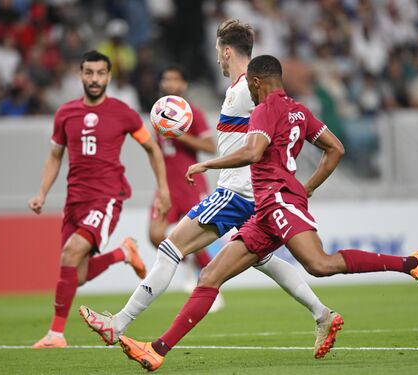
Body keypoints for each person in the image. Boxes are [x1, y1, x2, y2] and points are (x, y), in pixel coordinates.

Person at [118, 55, 418, 372]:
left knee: (320, 264)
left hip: (278, 202)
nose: (251, 91)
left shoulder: (263, 110)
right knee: (210, 277)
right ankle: (157, 350)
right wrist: (308, 187)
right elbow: (336, 149)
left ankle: (412, 264)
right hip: (268, 208)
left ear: (257, 82)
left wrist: (207, 163)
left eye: (251, 85)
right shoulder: (300, 111)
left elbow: (253, 151)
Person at [80, 19, 337, 357]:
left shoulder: (248, 89)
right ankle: (323, 313)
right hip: (255, 195)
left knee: (171, 248)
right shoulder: (245, 88)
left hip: (235, 193)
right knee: (264, 258)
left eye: (218, 50)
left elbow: (270, 124)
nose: (216, 57)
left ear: (226, 50)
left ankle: (120, 324)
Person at [29, 50, 170, 348]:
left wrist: (164, 190)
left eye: (100, 73)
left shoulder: (123, 112)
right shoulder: (65, 113)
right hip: (74, 202)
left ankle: (55, 334)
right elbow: (55, 156)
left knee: (70, 254)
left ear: (109, 76)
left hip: (105, 197)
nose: (94, 79)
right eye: (89, 73)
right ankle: (123, 253)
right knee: (75, 276)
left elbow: (152, 149)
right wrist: (41, 192)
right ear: (80, 75)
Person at [147, 65, 221, 303]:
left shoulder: (193, 114)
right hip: (167, 187)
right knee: (154, 234)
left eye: (175, 80)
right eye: (166, 80)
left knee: (194, 238)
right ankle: (188, 263)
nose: (170, 84)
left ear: (184, 85)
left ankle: (210, 287)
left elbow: (211, 147)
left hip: (191, 185)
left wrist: (180, 133)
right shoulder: (158, 116)